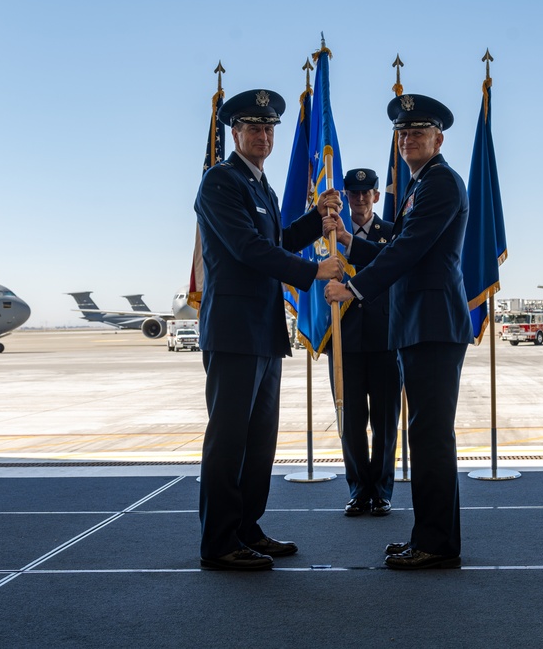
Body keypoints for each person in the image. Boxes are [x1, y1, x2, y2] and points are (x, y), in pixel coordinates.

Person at [194, 88, 344, 571]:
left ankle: (247, 528)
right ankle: (219, 541)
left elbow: (274, 239)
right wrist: (312, 272)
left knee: (259, 442)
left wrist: (317, 220)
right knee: (229, 440)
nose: (262, 135)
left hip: (263, 330)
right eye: (253, 127)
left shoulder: (262, 187)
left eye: (269, 129)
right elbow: (246, 249)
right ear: (234, 132)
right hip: (234, 331)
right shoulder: (221, 181)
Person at [325, 94, 473, 570]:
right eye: (403, 133)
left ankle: (436, 543)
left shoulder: (441, 183)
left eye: (418, 131)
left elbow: (408, 247)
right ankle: (430, 536)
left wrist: (354, 287)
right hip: (418, 324)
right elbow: (401, 251)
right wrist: (354, 252)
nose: (408, 138)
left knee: (429, 436)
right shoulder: (419, 185)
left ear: (439, 138)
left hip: (431, 324)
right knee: (425, 434)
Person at [326, 168, 401, 518]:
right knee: (351, 422)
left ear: (375, 195)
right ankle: (358, 490)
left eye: (365, 193)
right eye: (352, 193)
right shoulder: (325, 239)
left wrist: (348, 242)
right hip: (344, 342)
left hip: (385, 340)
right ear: (346, 196)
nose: (359, 199)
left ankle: (382, 491)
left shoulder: (392, 233)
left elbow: (390, 265)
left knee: (385, 422)